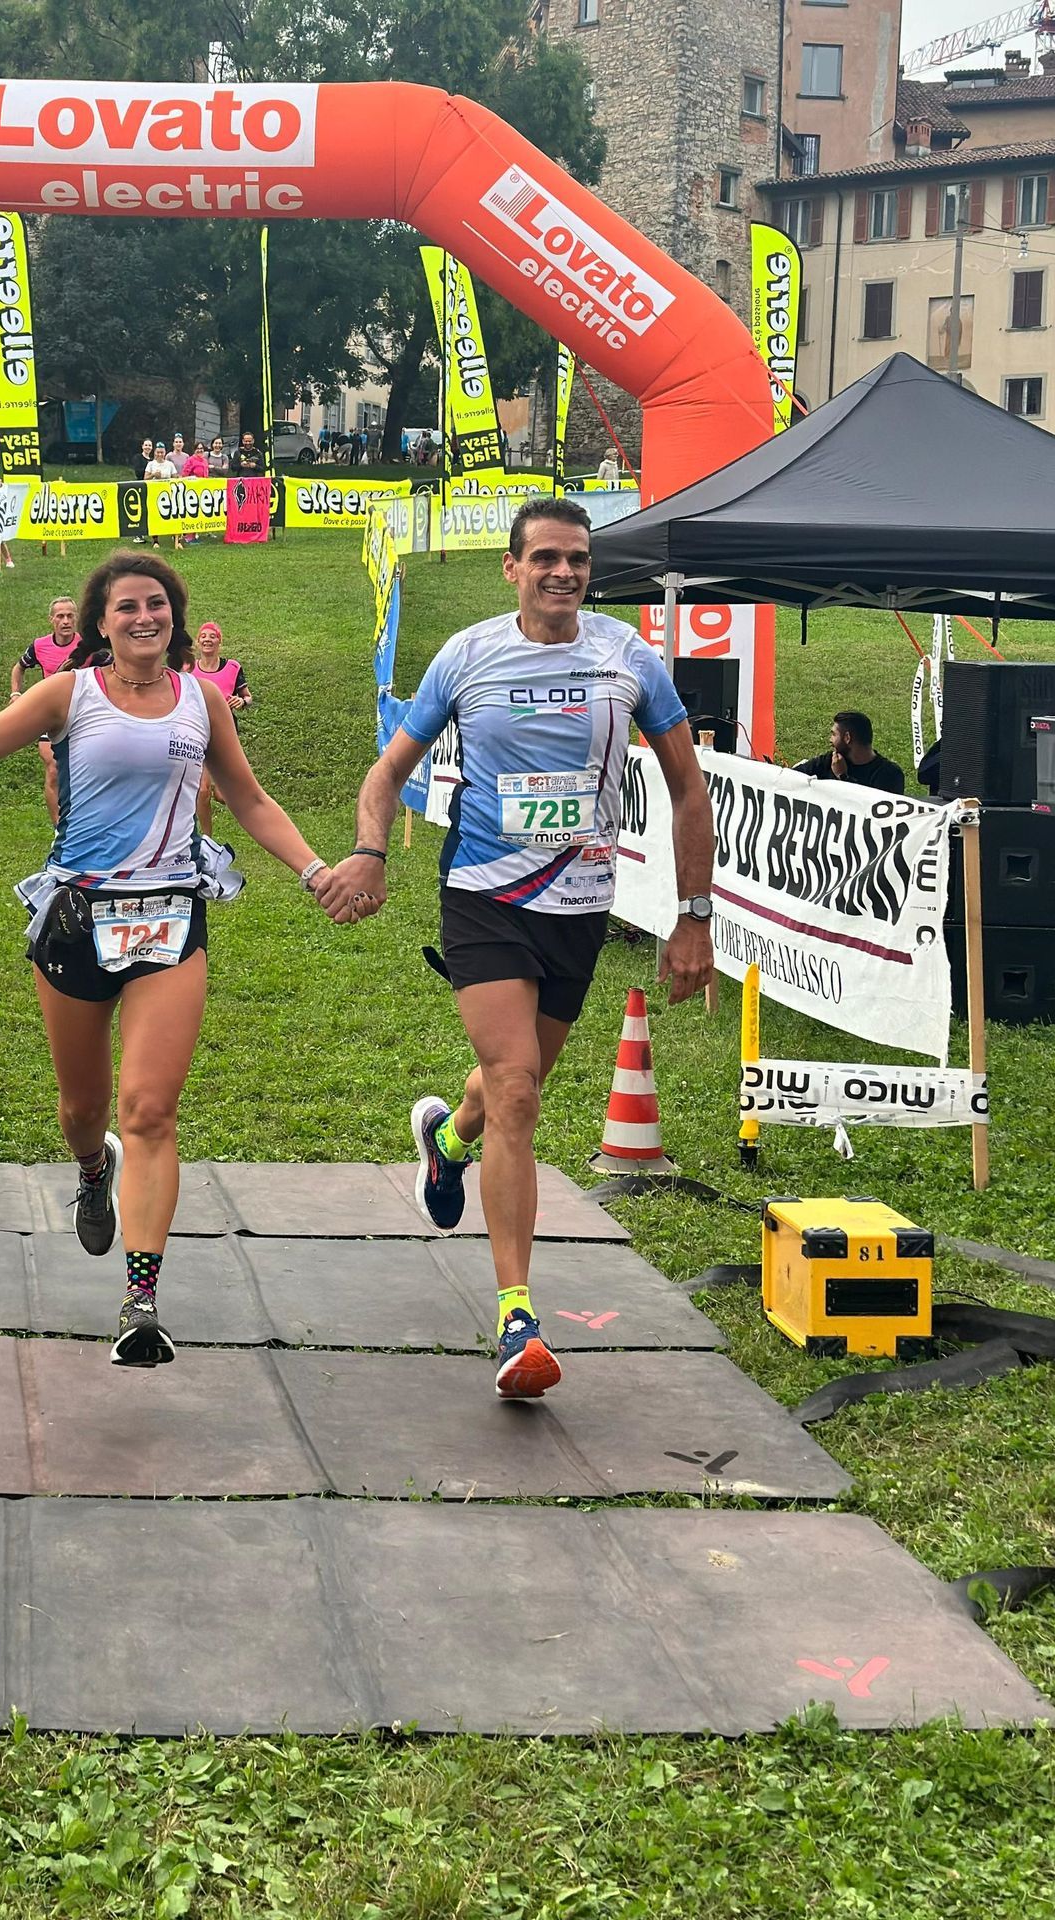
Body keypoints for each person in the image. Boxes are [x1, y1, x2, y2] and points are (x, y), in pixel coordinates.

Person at [315, 497, 716, 1403]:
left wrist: (695, 916)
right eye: (545, 558)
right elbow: (388, 771)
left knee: (509, 1083)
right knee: (519, 1090)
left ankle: (448, 1145)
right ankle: (516, 1317)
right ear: (512, 567)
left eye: (577, 559)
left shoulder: (628, 658)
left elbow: (689, 789)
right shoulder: (467, 655)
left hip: (580, 904)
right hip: (485, 898)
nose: (563, 573)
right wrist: (371, 852)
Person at [0, 551, 333, 1367]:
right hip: (76, 922)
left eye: (156, 604)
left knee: (150, 1110)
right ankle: (93, 1172)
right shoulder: (69, 694)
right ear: (100, 624)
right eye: (126, 607)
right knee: (82, 1112)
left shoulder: (204, 699)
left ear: (176, 617)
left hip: (170, 917)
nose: (143, 618)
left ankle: (141, 1297)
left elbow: (251, 798)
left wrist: (314, 870)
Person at [10, 594, 86, 822]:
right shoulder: (39, 646)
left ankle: (83, 819)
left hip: (81, 713)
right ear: (51, 619)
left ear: (76, 619)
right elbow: (19, 667)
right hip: (50, 714)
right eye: (60, 616)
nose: (66, 621)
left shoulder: (87, 646)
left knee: (84, 771)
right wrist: (15, 693)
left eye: (70, 616)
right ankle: (58, 827)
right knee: (53, 768)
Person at [190, 620, 250, 835]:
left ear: (219, 642)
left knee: (224, 795)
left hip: (225, 731)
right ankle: (207, 838)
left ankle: (225, 793)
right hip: (197, 731)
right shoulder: (189, 669)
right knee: (202, 790)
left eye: (212, 636)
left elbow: (247, 696)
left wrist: (242, 702)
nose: (207, 639)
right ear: (198, 642)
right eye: (203, 636)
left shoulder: (232, 668)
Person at [794, 711, 905, 793]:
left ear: (847, 738)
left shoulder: (890, 775)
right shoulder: (830, 760)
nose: (830, 740)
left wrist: (843, 777)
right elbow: (791, 776)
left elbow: (871, 808)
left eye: (834, 734)